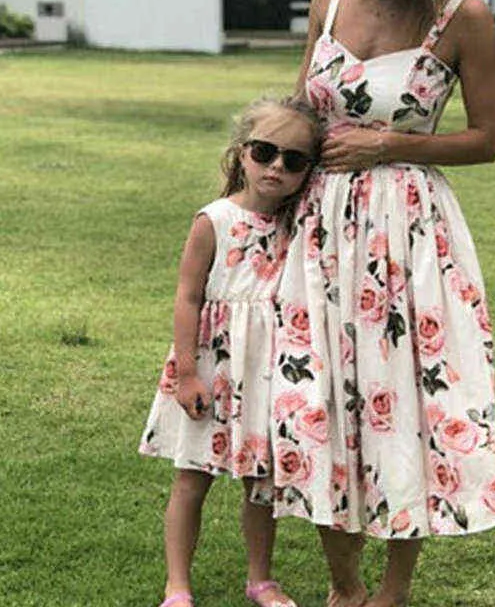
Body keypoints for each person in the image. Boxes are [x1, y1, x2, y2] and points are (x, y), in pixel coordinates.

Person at [267, 0, 495, 607]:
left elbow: (487, 140)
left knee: (402, 401)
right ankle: (344, 586)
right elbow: (302, 106)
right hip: (317, 226)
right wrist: (261, 174)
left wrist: (389, 144)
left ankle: (394, 590)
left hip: (407, 236)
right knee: (316, 399)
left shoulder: (463, 17)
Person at [139, 96, 322, 607]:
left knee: (261, 483)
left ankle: (260, 579)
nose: (276, 167)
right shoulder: (214, 219)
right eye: (265, 151)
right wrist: (186, 373)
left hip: (267, 370)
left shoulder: (299, 222)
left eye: (294, 160)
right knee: (191, 477)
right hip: (212, 366)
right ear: (242, 152)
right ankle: (177, 585)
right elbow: (188, 297)